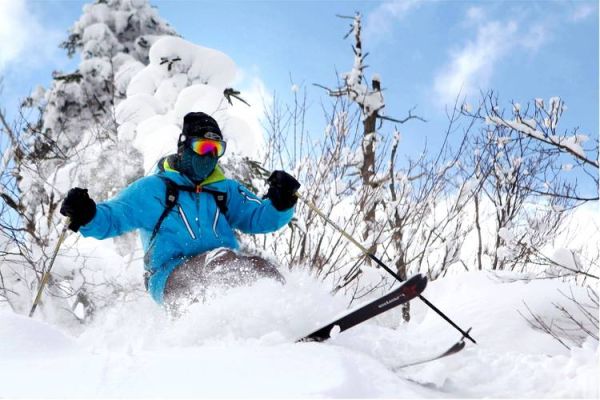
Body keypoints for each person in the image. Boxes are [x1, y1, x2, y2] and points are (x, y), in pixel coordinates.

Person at [60, 112, 300, 309]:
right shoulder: (155, 189)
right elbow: (113, 218)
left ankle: (282, 317)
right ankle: (211, 337)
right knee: (220, 265)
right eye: (203, 146)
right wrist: (87, 214)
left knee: (261, 267)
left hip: (222, 266)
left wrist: (281, 203)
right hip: (169, 275)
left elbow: (258, 218)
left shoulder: (224, 190)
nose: (210, 156)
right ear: (184, 147)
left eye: (217, 149)